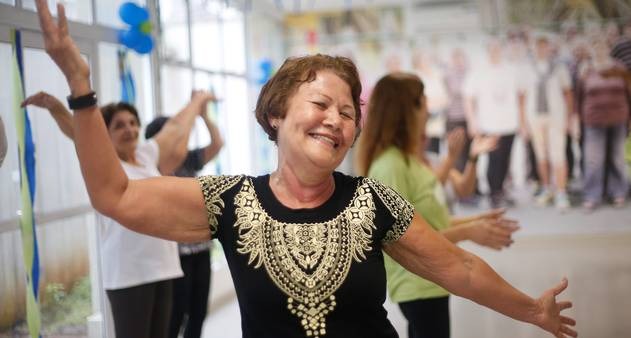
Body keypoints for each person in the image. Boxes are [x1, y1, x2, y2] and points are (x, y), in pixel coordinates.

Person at [33, 2, 577, 338]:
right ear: (277, 113)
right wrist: (82, 89)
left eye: (348, 113)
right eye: (321, 104)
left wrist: (531, 311)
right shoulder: (230, 201)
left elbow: (459, 269)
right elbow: (115, 194)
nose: (336, 121)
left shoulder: (371, 201)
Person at [21, 89, 215, 338]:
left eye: (133, 123)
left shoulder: (146, 156)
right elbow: (77, 132)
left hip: (163, 267)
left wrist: (197, 101)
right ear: (104, 134)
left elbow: (176, 128)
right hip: (128, 273)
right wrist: (56, 108)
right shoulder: (106, 163)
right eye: (119, 125)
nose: (130, 130)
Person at [356, 72, 520, 338]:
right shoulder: (389, 166)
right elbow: (409, 241)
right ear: (406, 111)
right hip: (417, 284)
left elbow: (429, 222)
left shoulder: (408, 161)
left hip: (433, 280)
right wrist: (469, 231)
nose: (427, 109)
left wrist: (476, 223)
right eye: (422, 102)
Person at [145, 114, 223, 338]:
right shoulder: (151, 167)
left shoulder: (188, 159)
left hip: (200, 249)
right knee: (175, 315)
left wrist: (204, 114)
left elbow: (217, 143)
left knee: (199, 312)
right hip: (173, 257)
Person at [463, 39, 526, 208]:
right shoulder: (479, 71)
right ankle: (494, 193)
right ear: (488, 51)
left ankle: (501, 190)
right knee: (494, 160)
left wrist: (522, 120)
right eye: (492, 49)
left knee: (506, 159)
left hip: (509, 124)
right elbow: (469, 98)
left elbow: (521, 96)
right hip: (489, 124)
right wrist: (472, 121)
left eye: (498, 49)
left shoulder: (511, 70)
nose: (495, 52)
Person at [521, 36, 574, 210]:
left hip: (556, 116)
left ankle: (561, 192)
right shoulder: (527, 68)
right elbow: (522, 97)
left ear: (549, 47)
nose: (541, 49)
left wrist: (569, 119)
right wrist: (523, 123)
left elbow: (568, 94)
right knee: (541, 155)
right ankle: (547, 188)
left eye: (544, 45)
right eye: (538, 45)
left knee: (558, 155)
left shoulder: (558, 67)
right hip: (535, 117)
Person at [577, 40, 630, 210]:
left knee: (617, 158)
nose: (599, 50)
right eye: (596, 47)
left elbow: (628, 92)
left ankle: (619, 193)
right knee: (593, 161)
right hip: (593, 121)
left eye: (602, 47)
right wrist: (577, 120)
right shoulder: (586, 70)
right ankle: (592, 196)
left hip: (618, 119)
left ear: (608, 49)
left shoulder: (620, 68)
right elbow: (579, 96)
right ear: (592, 50)